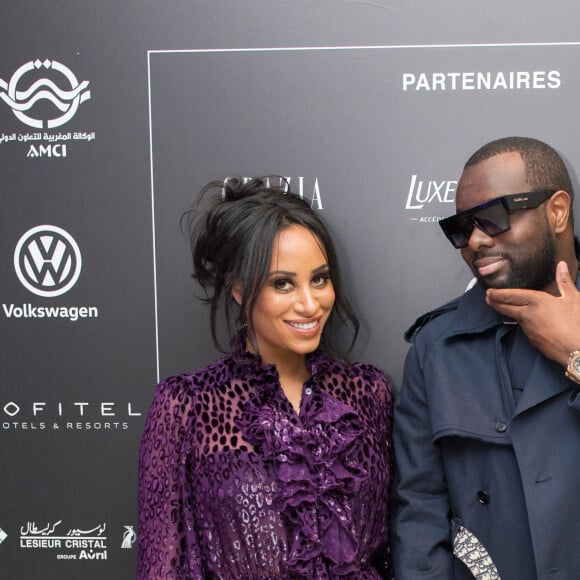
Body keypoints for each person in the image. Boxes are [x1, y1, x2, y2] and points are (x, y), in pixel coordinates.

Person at [138, 177, 394, 579]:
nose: (310, 304)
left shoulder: (367, 393)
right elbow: (161, 566)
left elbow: (397, 547)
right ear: (239, 288)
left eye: (320, 279)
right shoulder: (187, 405)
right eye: (283, 283)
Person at [390, 136, 580, 579]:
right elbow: (419, 513)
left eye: (494, 218)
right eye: (461, 228)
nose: (474, 241)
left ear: (556, 211)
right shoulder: (437, 348)